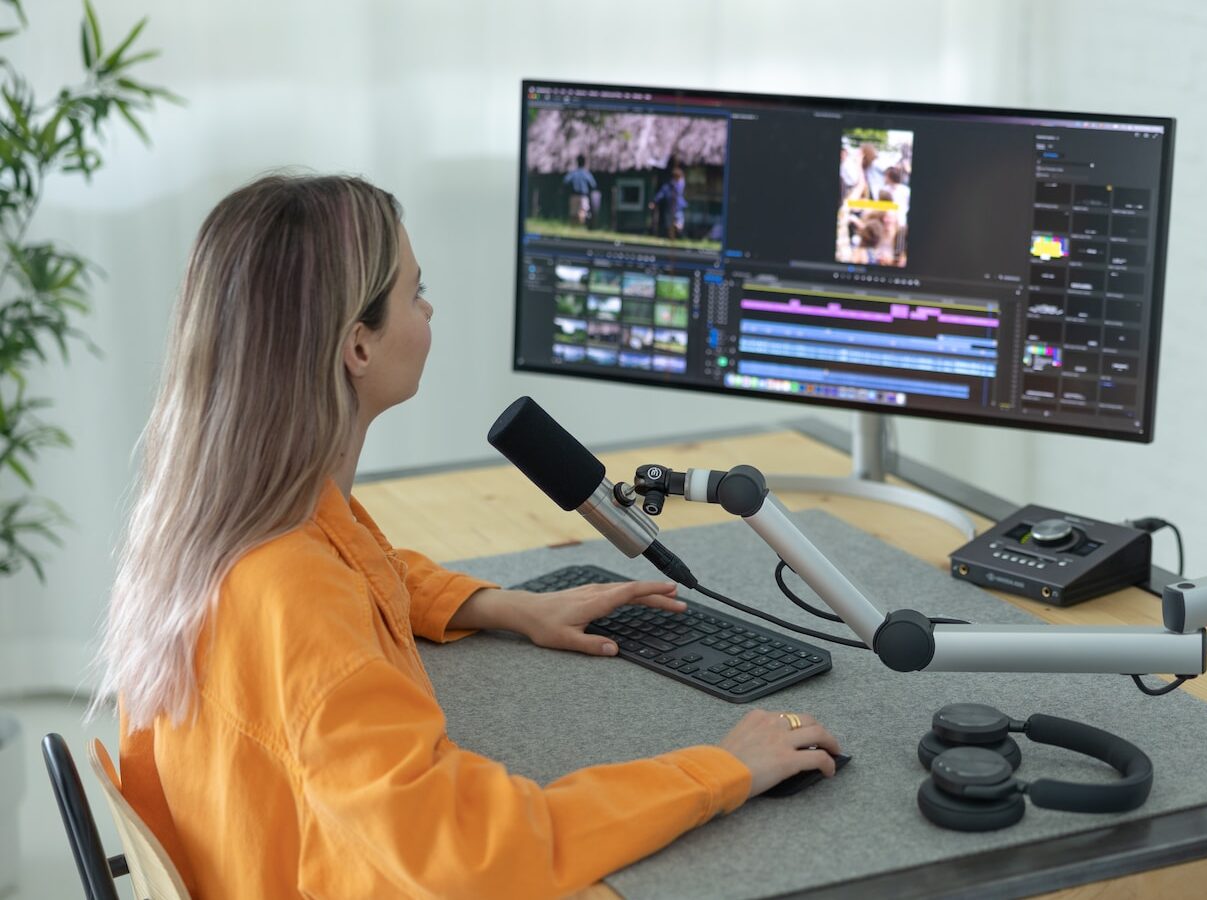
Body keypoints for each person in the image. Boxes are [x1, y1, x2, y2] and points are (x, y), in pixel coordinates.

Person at [92, 174, 842, 897]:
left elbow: (362, 569)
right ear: (358, 346)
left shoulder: (218, 520)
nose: (429, 311)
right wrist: (720, 767)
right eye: (414, 292)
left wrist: (503, 606)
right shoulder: (298, 593)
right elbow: (469, 854)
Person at [650, 166, 688, 239]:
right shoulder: (678, 185)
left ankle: (674, 230)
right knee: (677, 224)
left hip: (672, 207)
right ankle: (674, 230)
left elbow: (660, 194)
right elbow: (661, 194)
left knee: (673, 225)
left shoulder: (671, 185)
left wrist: (654, 202)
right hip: (675, 207)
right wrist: (654, 202)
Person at [562, 154, 598, 227]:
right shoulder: (586, 173)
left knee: (573, 213)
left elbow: (565, 181)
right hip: (583, 196)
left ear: (577, 162)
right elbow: (593, 185)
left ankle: (573, 227)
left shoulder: (573, 173)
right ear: (584, 162)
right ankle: (580, 227)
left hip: (574, 195)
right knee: (583, 212)